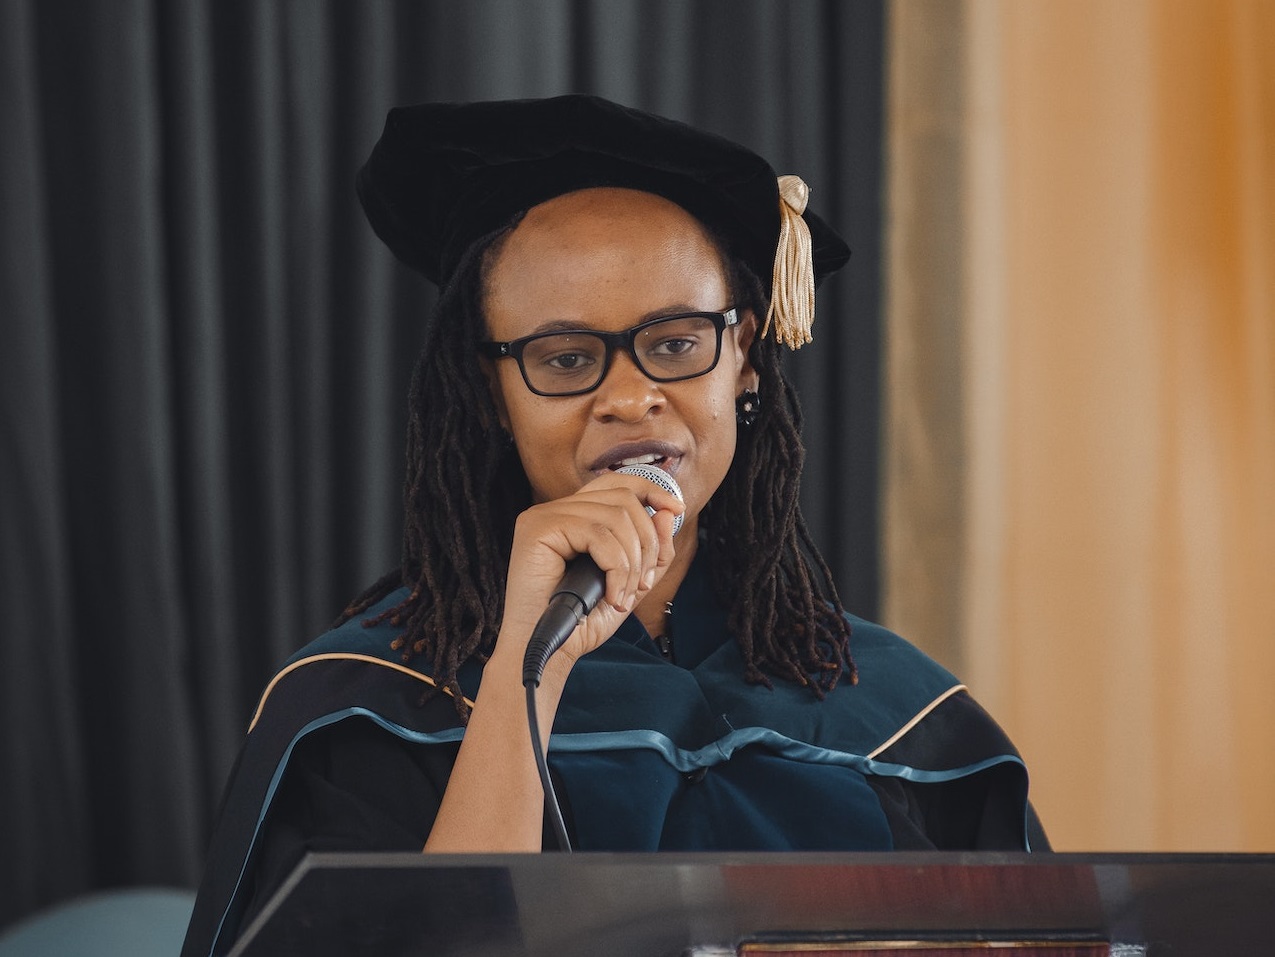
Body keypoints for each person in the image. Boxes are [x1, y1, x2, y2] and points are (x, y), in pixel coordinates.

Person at [181, 94, 1047, 957]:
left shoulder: (899, 714)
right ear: (491, 394)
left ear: (743, 357)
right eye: (565, 359)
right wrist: (530, 659)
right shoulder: (364, 710)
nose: (630, 396)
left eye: (675, 343)